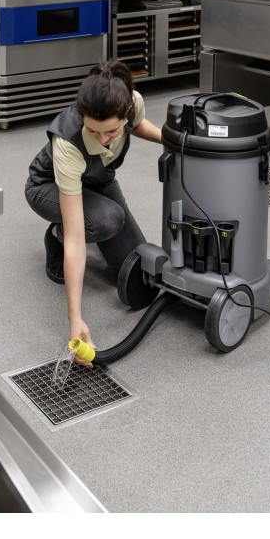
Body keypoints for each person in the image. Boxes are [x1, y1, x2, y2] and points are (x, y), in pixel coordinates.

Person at [25, 59, 163, 358]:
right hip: (47, 187)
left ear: (125, 112)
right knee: (108, 219)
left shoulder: (131, 102)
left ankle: (89, 219)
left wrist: (171, 140)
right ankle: (55, 234)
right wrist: (75, 319)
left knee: (135, 277)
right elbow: (78, 238)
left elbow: (138, 124)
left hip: (97, 180)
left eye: (111, 131)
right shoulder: (68, 144)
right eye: (93, 131)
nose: (103, 138)